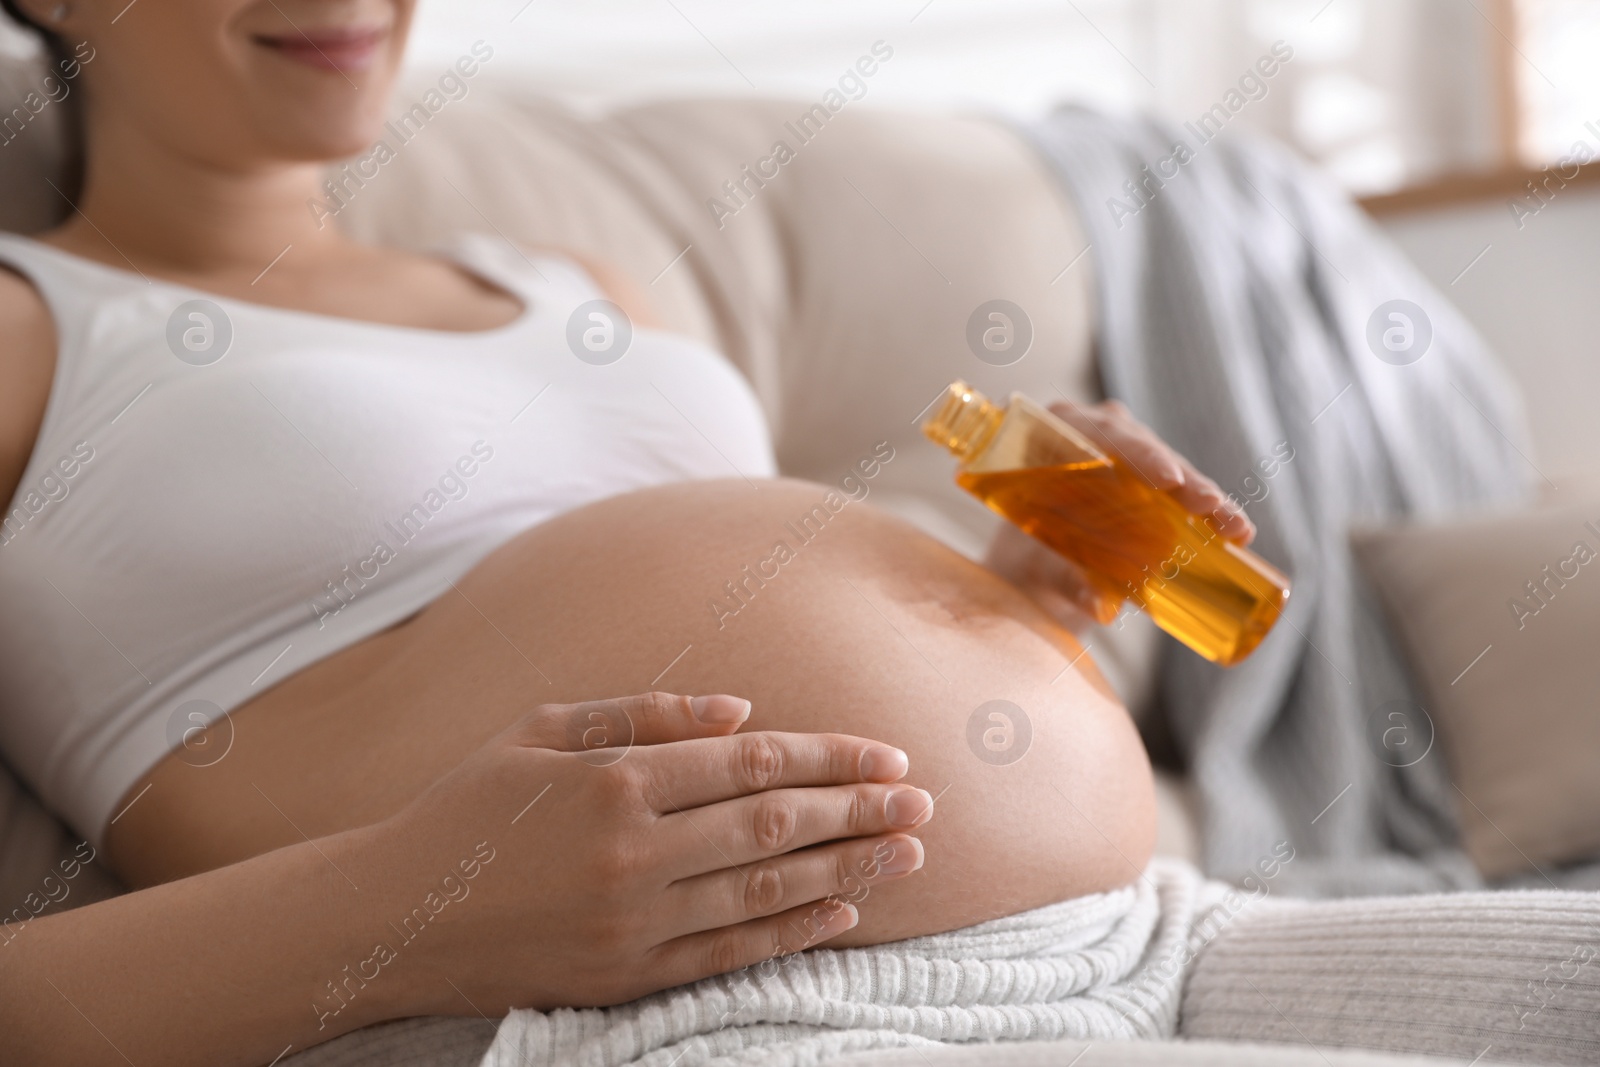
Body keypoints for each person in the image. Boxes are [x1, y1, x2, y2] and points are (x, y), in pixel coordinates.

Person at [0, 2, 1255, 1064]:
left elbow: (719, 628)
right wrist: (418, 904)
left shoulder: (577, 283)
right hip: (695, 1010)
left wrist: (1018, 603)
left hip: (1141, 925)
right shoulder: (30, 333)